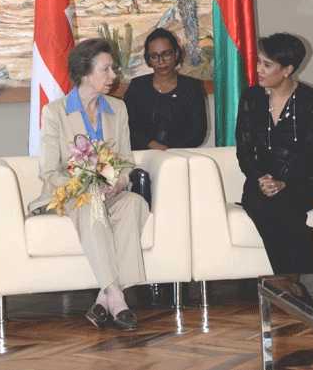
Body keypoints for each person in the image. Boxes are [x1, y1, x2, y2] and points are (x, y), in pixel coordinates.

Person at [28, 39, 150, 331]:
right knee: (91, 201)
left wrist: (119, 184)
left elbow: (125, 161)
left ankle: (103, 298)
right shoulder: (55, 112)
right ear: (85, 74)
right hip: (68, 194)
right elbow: (49, 171)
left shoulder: (118, 109)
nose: (113, 75)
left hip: (109, 192)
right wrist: (83, 185)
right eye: (105, 69)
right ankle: (117, 296)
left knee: (135, 202)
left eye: (112, 69)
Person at [236, 32, 313, 275]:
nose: (258, 69)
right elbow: (244, 152)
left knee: (282, 202)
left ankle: (290, 280)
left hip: (301, 181)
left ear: (288, 69)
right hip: (259, 182)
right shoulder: (251, 97)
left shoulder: (312, 100)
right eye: (258, 62)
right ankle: (307, 278)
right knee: (259, 202)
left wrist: (283, 182)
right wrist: (261, 178)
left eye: (267, 65)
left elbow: (310, 155)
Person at [123, 28, 207, 150]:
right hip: (143, 156)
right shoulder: (137, 87)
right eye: (154, 56)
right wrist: (151, 144)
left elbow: (198, 133)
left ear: (176, 53)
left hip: (181, 156)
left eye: (166, 54)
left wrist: (170, 151)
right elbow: (126, 128)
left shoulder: (191, 87)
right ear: (148, 58)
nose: (161, 61)